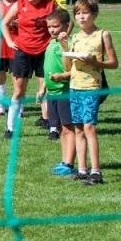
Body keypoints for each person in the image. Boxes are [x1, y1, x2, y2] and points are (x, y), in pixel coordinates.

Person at [63, 0, 117, 185]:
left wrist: (96, 62)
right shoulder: (75, 37)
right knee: (78, 128)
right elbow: (68, 66)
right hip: (75, 86)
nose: (81, 17)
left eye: (85, 13)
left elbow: (114, 63)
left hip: (92, 86)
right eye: (77, 14)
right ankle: (82, 169)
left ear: (94, 14)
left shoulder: (103, 34)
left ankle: (96, 172)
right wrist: (66, 49)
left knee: (89, 128)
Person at [0, 0, 55, 139]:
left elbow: (65, 22)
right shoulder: (20, 3)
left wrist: (55, 39)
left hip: (44, 52)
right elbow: (3, 23)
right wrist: (9, 41)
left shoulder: (50, 5)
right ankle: (10, 129)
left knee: (48, 89)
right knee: (18, 91)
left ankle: (54, 128)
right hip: (23, 52)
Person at [42, 9, 78, 178]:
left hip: (64, 92)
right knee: (62, 130)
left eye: (55, 26)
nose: (51, 29)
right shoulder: (51, 43)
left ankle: (70, 163)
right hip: (52, 92)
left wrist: (65, 47)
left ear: (65, 26)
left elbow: (71, 69)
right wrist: (42, 88)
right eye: (49, 26)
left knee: (69, 128)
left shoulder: (67, 44)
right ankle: (64, 161)